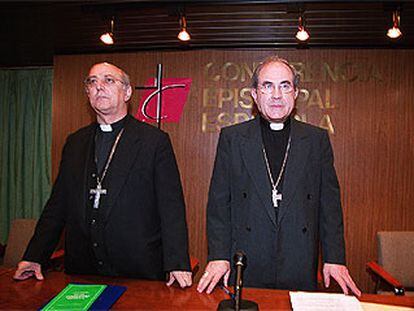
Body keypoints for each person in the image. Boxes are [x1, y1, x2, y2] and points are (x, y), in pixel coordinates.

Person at [14, 62, 192, 288]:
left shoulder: (154, 141)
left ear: (127, 92)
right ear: (87, 92)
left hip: (138, 270)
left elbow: (171, 207)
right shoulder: (75, 143)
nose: (99, 87)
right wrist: (35, 256)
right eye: (92, 81)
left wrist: (177, 262)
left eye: (109, 80)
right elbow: (57, 206)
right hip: (82, 270)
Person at [197, 56, 361, 296]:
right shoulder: (232, 138)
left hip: (299, 259)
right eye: (267, 86)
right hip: (246, 260)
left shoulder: (316, 140)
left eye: (285, 86)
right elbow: (219, 204)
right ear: (254, 94)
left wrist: (334, 257)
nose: (276, 95)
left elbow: (329, 205)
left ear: (295, 93)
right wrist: (219, 256)